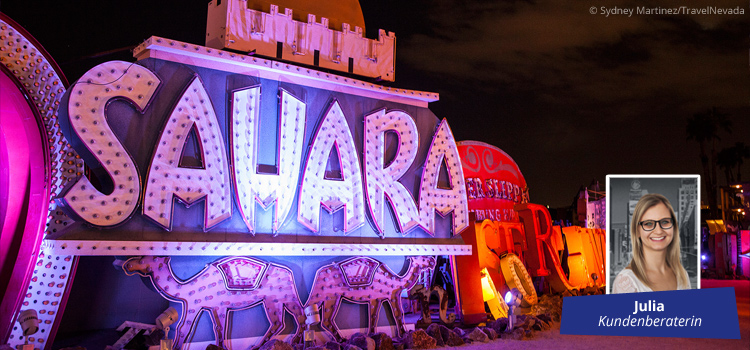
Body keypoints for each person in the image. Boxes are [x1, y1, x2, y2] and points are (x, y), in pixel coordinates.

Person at [612, 193, 690, 293]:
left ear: (674, 227)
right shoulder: (627, 282)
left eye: (665, 222)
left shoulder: (682, 275)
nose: (658, 231)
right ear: (637, 231)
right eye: (648, 224)